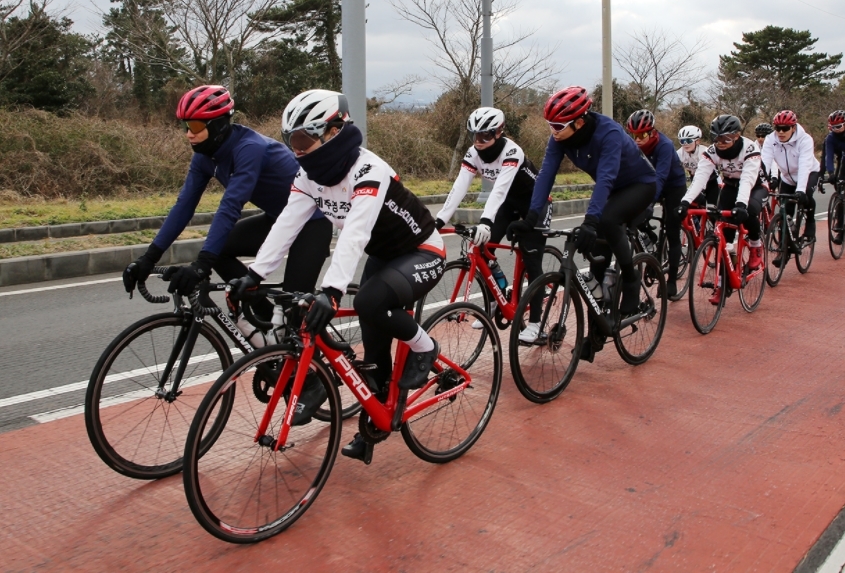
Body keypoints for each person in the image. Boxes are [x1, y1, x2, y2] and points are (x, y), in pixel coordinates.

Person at [228, 90, 446, 457]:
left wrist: (330, 291)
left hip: (421, 251)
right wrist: (255, 274)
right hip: (384, 257)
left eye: (302, 140)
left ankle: (425, 347)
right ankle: (377, 423)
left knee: (370, 301)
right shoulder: (308, 175)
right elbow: (287, 224)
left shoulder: (368, 170)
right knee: (374, 364)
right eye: (290, 141)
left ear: (333, 131)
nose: (296, 150)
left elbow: (355, 233)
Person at [121, 85, 332, 345]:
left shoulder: (250, 148)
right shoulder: (205, 156)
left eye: (196, 126)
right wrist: (148, 258)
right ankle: (268, 323)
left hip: (312, 223)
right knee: (220, 250)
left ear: (219, 124)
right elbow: (184, 206)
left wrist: (201, 265)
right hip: (279, 219)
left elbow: (230, 206)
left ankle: (310, 380)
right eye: (185, 126)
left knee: (291, 311)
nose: (189, 134)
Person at [508, 86, 656, 353]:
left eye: (558, 125)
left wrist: (590, 220)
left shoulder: (607, 132)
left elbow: (607, 178)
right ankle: (596, 336)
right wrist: (530, 218)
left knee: (607, 221)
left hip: (639, 184)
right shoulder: (559, 138)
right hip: (611, 189)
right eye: (549, 124)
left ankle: (632, 279)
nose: (552, 129)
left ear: (579, 121)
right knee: (597, 264)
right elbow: (545, 176)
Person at [434, 107, 551, 341]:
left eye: (485, 136)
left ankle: (537, 324)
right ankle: (498, 299)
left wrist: (485, 222)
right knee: (482, 249)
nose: (479, 141)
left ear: (499, 132)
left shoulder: (512, 151)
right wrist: (438, 220)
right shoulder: (473, 153)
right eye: (474, 136)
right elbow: (459, 187)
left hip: (535, 205)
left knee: (531, 259)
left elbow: (499, 190)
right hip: (509, 203)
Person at [678, 115, 766, 303]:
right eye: (717, 139)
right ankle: (722, 283)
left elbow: (748, 179)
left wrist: (741, 205)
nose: (721, 143)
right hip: (730, 186)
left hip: (755, 186)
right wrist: (685, 202)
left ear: (737, 136)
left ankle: (756, 246)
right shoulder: (712, 151)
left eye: (726, 139)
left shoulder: (750, 147)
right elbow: (699, 179)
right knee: (722, 238)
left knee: (749, 209)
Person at [625, 109, 687, 296]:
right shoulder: (633, 146)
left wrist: (649, 204)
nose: (637, 139)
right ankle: (651, 243)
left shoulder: (665, 145)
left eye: (642, 134)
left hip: (673, 186)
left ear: (652, 132)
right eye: (633, 135)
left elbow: (660, 177)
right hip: (649, 183)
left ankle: (672, 280)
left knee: (671, 228)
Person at [761, 110, 819, 262]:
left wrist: (800, 190)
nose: (780, 132)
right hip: (787, 178)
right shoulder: (770, 140)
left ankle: (810, 223)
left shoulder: (805, 140)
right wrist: (761, 184)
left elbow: (805, 165)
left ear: (793, 128)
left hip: (809, 173)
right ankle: (783, 250)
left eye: (785, 128)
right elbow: (764, 164)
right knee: (785, 212)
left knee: (805, 195)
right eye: (777, 128)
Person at [678, 124, 719, 207]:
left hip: (712, 181)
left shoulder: (705, 152)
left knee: (712, 209)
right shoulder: (679, 154)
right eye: (682, 141)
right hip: (695, 179)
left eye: (689, 141)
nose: (685, 144)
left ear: (698, 141)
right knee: (691, 206)